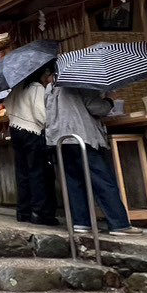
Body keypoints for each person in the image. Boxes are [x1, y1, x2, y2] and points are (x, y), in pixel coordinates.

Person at [43, 68, 134, 234]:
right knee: (102, 180)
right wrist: (110, 101)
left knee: (74, 182)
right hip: (82, 136)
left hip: (61, 139)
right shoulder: (81, 82)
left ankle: (81, 222)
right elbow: (96, 108)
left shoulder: (51, 87)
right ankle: (119, 223)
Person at [5, 69, 56, 226]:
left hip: (16, 130)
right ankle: (39, 212)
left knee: (22, 172)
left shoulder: (18, 87)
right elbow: (41, 115)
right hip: (33, 131)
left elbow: (7, 105)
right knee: (38, 172)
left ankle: (23, 211)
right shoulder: (36, 88)